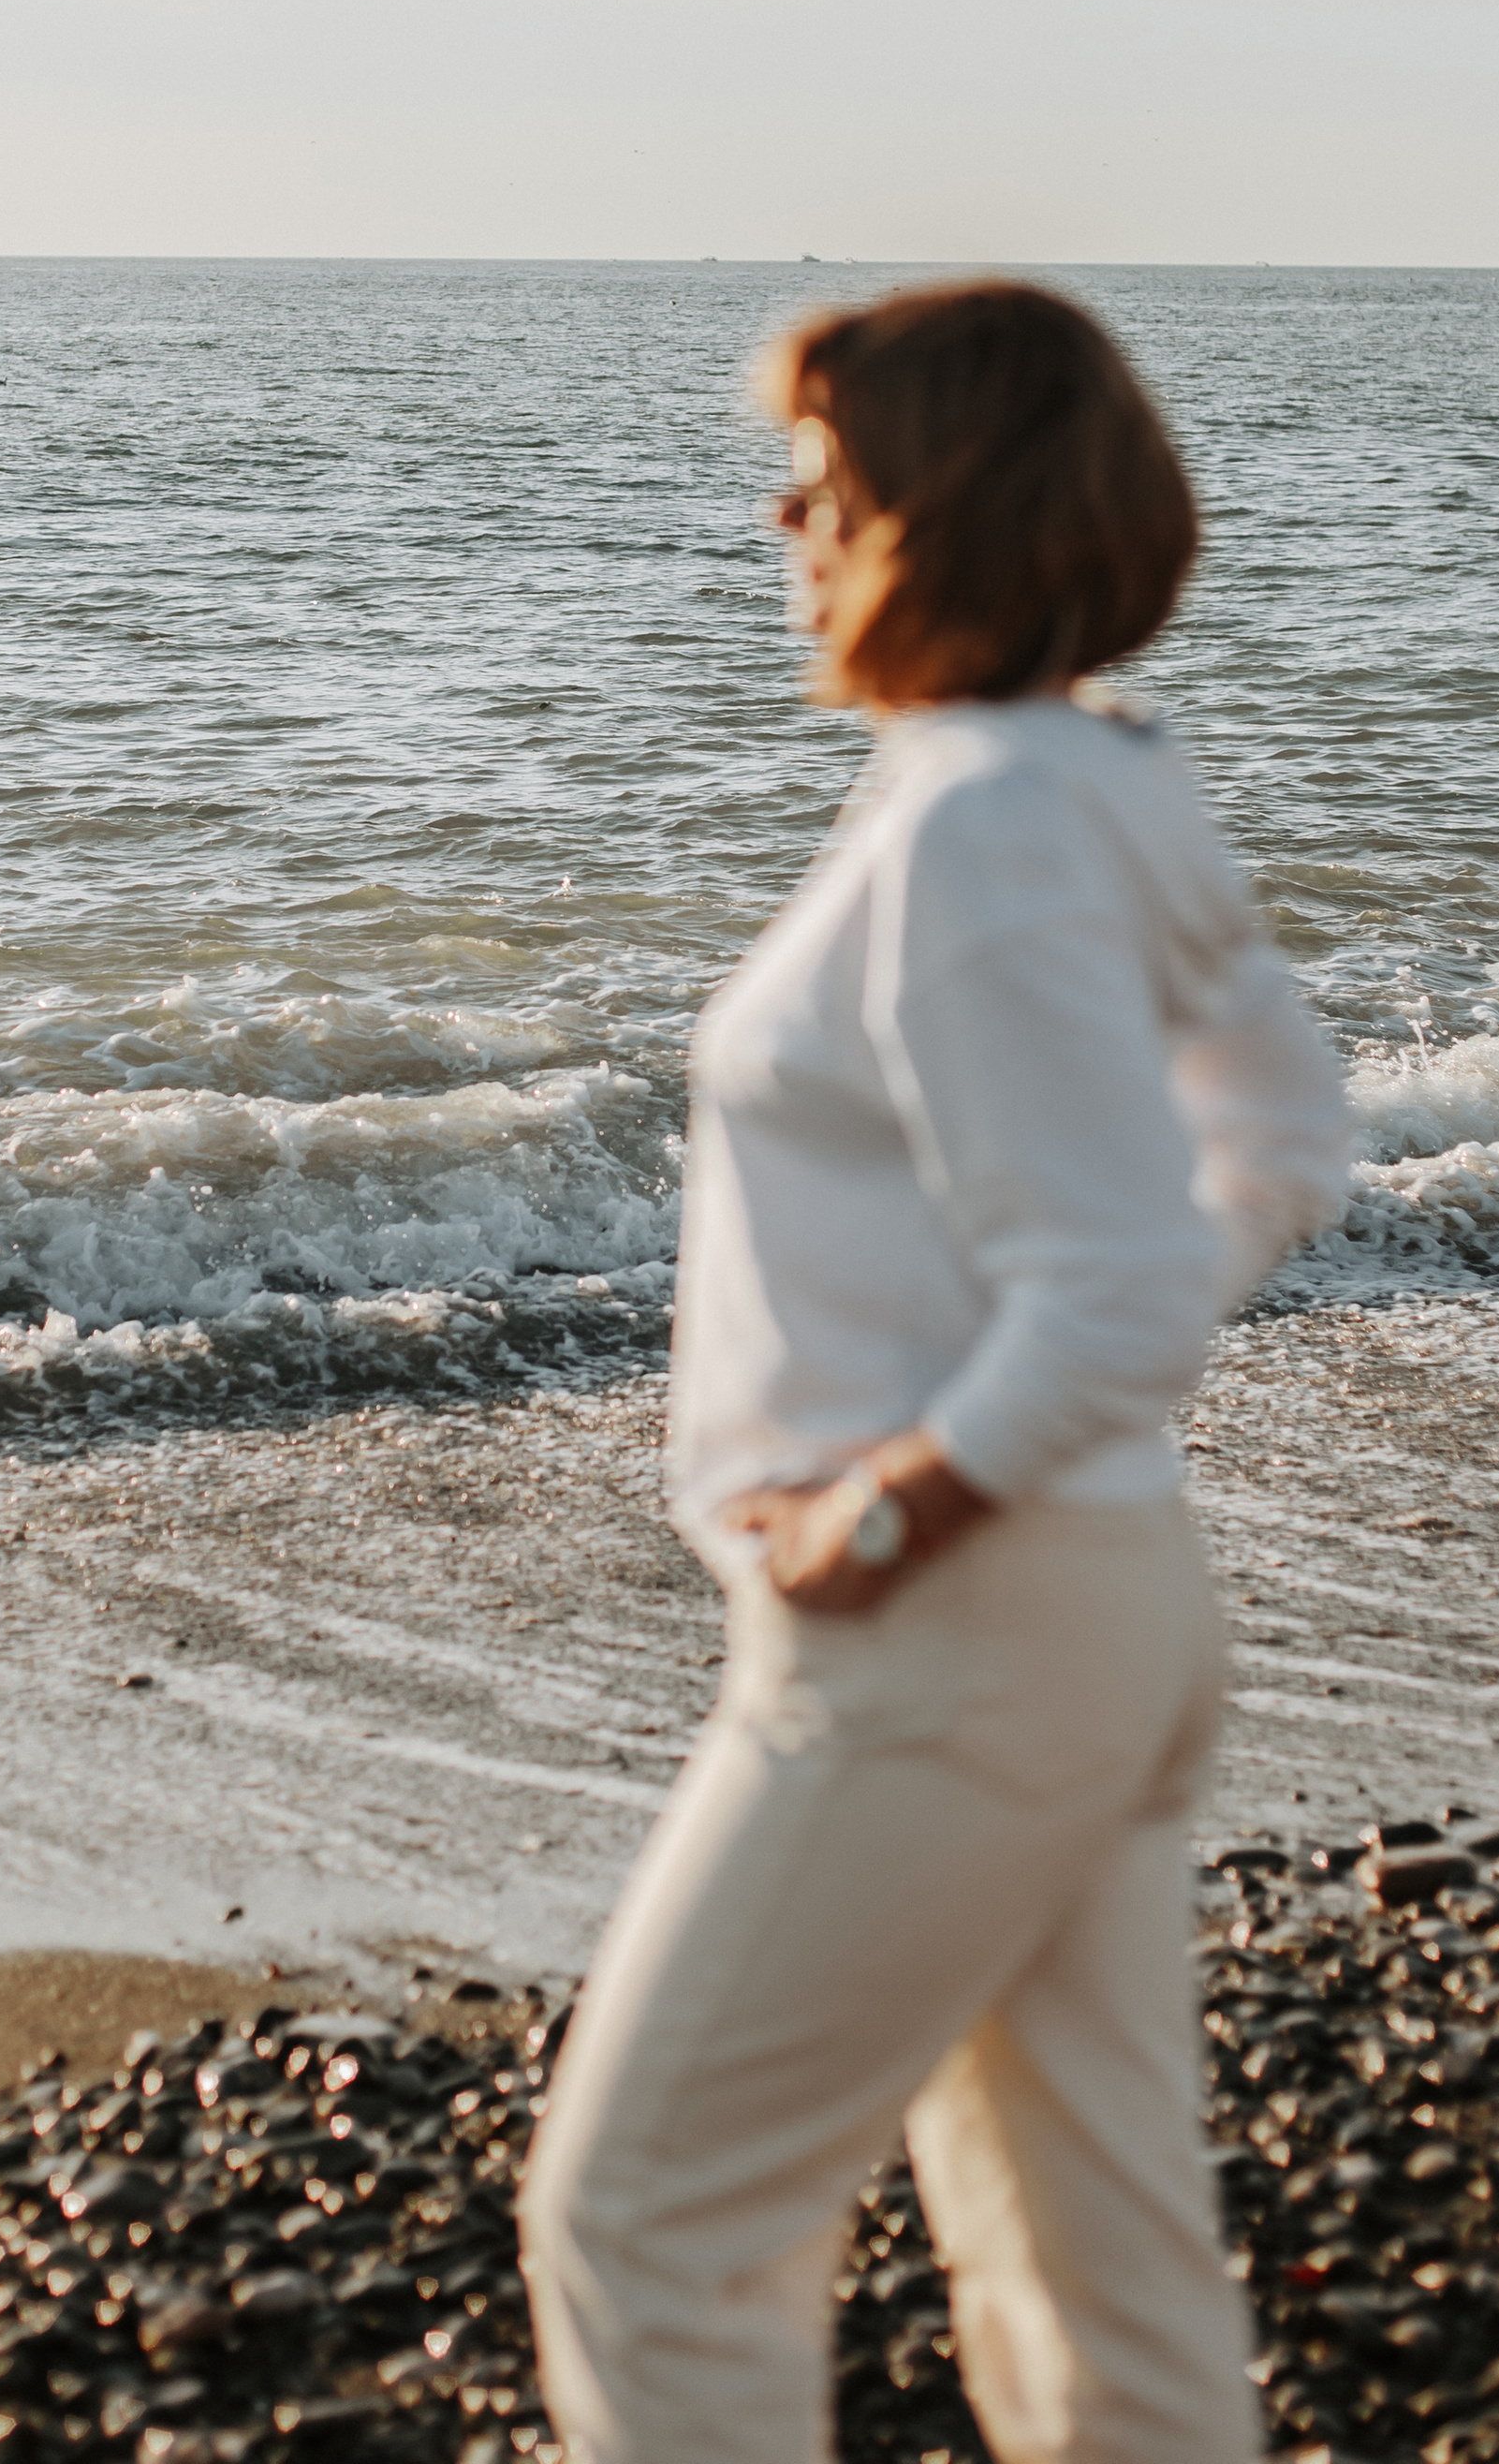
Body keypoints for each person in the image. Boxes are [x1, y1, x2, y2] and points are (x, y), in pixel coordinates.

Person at [519, 279, 1352, 2464]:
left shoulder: (977, 821)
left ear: (928, 513)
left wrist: (895, 1503)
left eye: (824, 480)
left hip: (949, 1634)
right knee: (1099, 2269)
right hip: (1101, 1606)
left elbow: (1099, 1281)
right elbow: (1275, 1139)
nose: (785, 524)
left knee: (647, 2225)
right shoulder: (1089, 782)